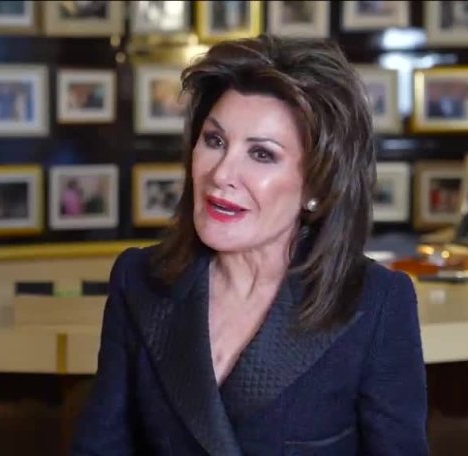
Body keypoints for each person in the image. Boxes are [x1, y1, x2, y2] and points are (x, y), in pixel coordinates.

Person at [71, 35, 428, 455]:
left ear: (317, 185)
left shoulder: (377, 302)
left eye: (261, 154)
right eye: (215, 141)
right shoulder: (138, 280)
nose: (222, 173)